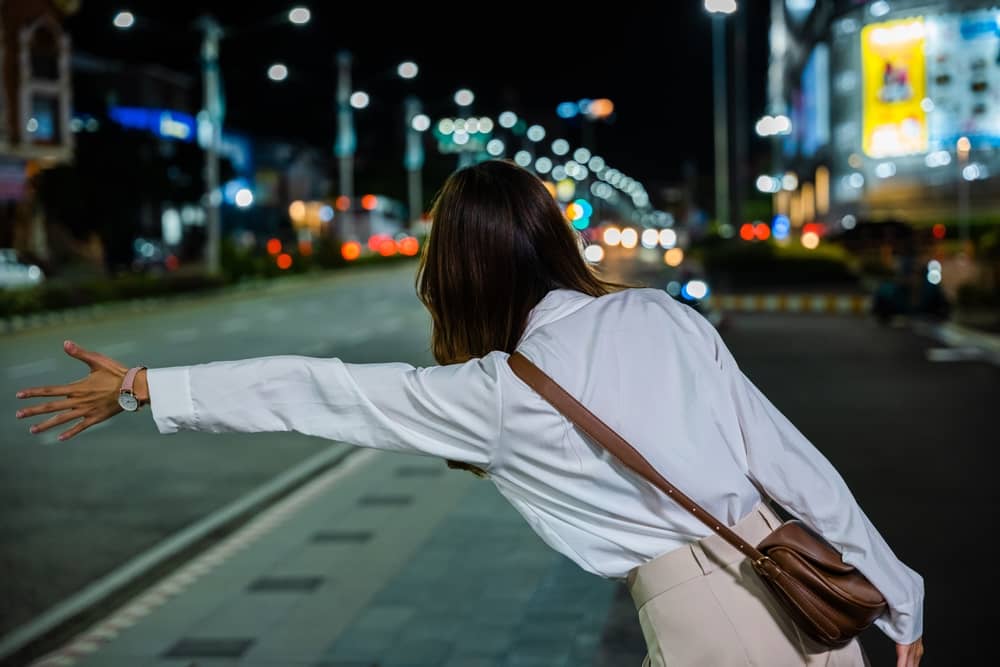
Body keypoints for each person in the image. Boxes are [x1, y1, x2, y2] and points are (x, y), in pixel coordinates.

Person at [15, 160, 924, 666]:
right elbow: (790, 459)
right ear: (552, 239)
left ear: (459, 273)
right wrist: (896, 592)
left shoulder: (496, 394)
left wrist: (143, 385)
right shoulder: (658, 315)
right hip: (799, 585)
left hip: (707, 620)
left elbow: (317, 388)